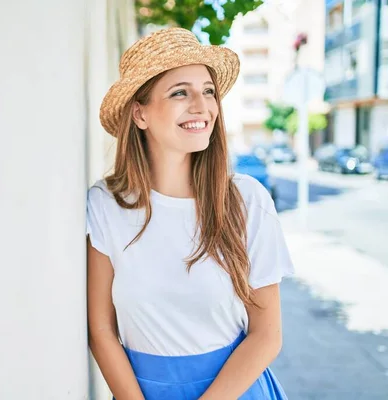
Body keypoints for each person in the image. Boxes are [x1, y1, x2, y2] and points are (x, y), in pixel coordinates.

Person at [86, 27, 295, 400]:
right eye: (181, 92)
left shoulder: (247, 200)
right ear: (140, 114)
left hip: (235, 391)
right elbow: (101, 330)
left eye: (209, 91)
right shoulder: (105, 204)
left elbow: (267, 335)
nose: (202, 105)